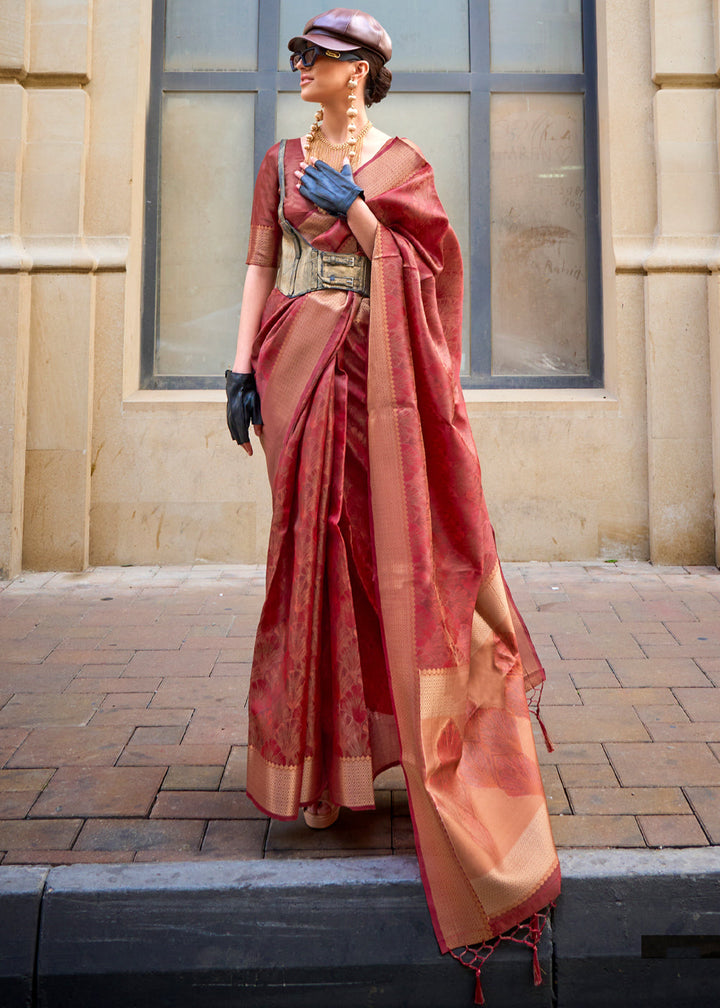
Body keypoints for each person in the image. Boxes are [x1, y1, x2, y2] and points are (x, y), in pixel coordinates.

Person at [226, 8, 560, 1002]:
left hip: (381, 380)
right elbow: (256, 261)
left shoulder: (404, 163)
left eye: (316, 58)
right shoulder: (281, 157)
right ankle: (322, 772)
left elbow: (434, 272)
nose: (299, 69)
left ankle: (419, 751)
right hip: (296, 369)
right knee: (309, 557)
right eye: (299, 55)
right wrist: (239, 367)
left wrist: (364, 217)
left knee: (393, 558)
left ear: (362, 71)